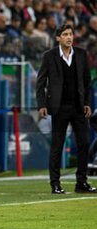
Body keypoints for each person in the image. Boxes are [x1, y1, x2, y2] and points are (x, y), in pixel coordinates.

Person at [36, 24, 96, 194]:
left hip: (78, 108)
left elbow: (87, 82)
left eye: (71, 34)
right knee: (57, 146)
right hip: (59, 107)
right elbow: (40, 83)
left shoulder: (82, 55)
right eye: (65, 34)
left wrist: (87, 103)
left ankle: (81, 183)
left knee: (83, 144)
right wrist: (41, 105)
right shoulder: (49, 56)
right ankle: (55, 184)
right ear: (58, 38)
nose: (69, 37)